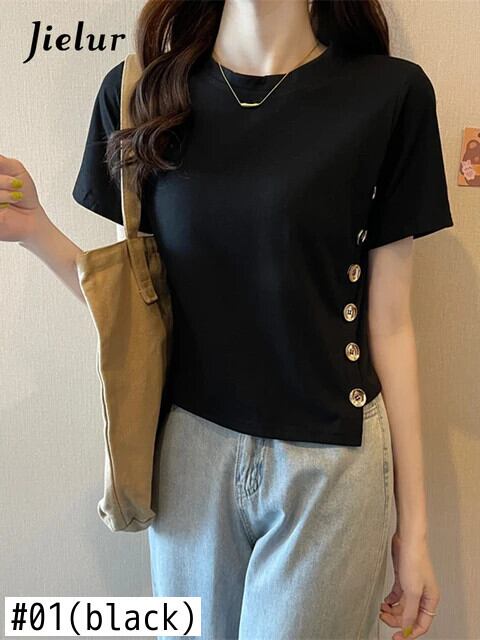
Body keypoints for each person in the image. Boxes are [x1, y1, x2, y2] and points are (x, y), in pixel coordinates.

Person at [0, 0, 454, 638]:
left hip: (330, 467)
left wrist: (415, 532)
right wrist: (34, 231)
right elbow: (140, 313)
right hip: (188, 458)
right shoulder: (141, 93)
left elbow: (392, 325)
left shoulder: (389, 94)